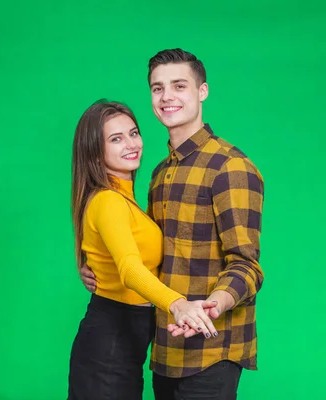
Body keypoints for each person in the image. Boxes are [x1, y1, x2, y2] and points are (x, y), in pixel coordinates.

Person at [80, 49, 265, 399]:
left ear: (202, 91)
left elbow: (246, 265)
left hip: (213, 350)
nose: (167, 97)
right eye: (157, 88)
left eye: (179, 85)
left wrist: (215, 303)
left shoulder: (231, 167)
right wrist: (94, 266)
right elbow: (145, 251)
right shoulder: (158, 175)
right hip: (165, 348)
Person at [67, 99, 219, 400]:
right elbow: (129, 269)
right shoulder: (108, 201)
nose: (131, 144)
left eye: (133, 133)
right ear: (94, 152)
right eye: (115, 139)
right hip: (109, 346)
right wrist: (177, 304)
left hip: (127, 341)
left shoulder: (125, 201)